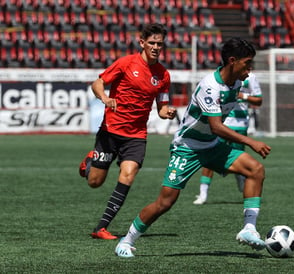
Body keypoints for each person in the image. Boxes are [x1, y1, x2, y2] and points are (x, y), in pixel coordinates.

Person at [115, 37, 271, 258]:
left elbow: (216, 130)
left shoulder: (236, 83)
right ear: (232, 61)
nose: (250, 68)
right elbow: (216, 126)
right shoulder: (210, 86)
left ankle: (249, 229)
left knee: (255, 170)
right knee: (165, 202)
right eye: (247, 63)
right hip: (187, 147)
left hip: (212, 145)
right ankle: (127, 240)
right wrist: (250, 141)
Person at [78, 23, 177, 240]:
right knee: (95, 182)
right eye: (152, 43)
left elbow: (161, 108)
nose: (156, 47)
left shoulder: (163, 75)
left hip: (136, 135)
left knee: (128, 175)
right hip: (110, 131)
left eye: (159, 44)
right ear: (142, 43)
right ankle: (91, 160)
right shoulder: (125, 63)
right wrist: (104, 98)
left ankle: (101, 227)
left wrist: (167, 112)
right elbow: (98, 83)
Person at [193, 72, 263, 205]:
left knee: (239, 158)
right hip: (222, 123)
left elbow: (259, 100)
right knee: (210, 157)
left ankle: (240, 178)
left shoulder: (250, 77)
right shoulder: (221, 77)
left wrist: (243, 96)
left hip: (240, 123)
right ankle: (203, 194)